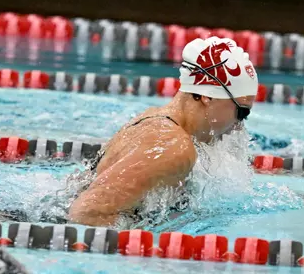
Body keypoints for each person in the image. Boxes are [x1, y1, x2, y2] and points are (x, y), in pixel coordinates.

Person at [67, 36, 259, 227]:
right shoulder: (173, 146)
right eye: (241, 112)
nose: (239, 126)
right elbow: (88, 212)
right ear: (208, 96)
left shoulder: (153, 120)